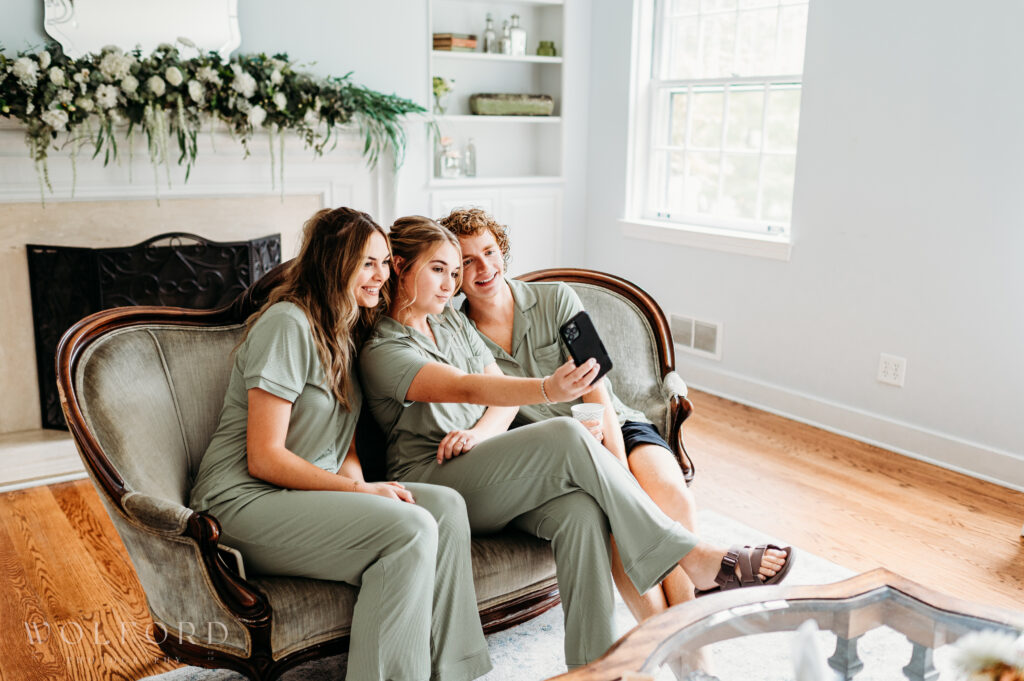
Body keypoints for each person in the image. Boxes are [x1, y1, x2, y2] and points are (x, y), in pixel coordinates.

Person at [359, 216, 794, 670]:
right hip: (436, 475)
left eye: (459, 268)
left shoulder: (453, 322)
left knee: (584, 513)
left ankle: (597, 667)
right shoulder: (383, 348)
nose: (455, 281)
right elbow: (471, 388)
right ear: (400, 268)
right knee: (568, 433)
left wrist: (489, 433)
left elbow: (530, 392)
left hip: (587, 436)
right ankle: (695, 556)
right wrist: (549, 389)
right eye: (445, 269)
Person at [188, 207, 491, 681]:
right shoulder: (287, 324)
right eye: (368, 263)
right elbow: (264, 457)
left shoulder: (347, 331)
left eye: (386, 262)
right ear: (335, 262)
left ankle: (453, 671)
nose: (382, 276)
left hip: (306, 493)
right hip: (241, 501)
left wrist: (364, 490)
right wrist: (359, 495)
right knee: (409, 529)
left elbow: (342, 447)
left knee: (444, 507)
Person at [439, 208, 703, 623]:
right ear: (453, 272)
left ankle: (693, 646)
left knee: (672, 496)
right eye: (467, 261)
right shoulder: (454, 331)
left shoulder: (558, 297)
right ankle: (661, 641)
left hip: (618, 425)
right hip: (558, 455)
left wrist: (617, 467)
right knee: (614, 526)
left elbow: (597, 386)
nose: (483, 267)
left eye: (489, 251)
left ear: (502, 251)